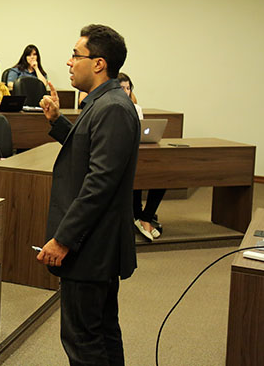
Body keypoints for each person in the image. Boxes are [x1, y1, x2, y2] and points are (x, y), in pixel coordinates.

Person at [37, 24, 138, 365]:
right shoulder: (103, 103)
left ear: (98, 64)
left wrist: (63, 239)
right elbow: (90, 152)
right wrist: (58, 122)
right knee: (101, 332)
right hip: (97, 243)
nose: (68, 62)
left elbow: (99, 184)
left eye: (75, 55)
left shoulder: (111, 107)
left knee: (83, 340)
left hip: (91, 246)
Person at [119, 72, 165, 241]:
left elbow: (142, 133)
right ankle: (141, 219)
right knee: (137, 176)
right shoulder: (113, 108)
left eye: (128, 88)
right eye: (121, 88)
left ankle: (145, 217)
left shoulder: (136, 109)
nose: (125, 92)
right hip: (122, 156)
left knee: (161, 177)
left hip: (138, 153)